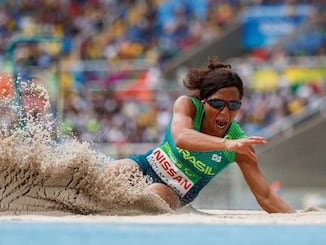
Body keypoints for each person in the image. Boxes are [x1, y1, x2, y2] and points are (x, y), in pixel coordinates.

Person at [112, 57, 296, 213]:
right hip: (147, 166)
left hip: (174, 192)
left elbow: (266, 196)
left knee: (154, 194)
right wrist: (225, 144)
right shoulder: (188, 105)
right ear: (204, 101)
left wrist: (297, 217)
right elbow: (182, 137)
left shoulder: (239, 143)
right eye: (217, 104)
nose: (225, 113)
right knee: (120, 170)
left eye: (233, 106)